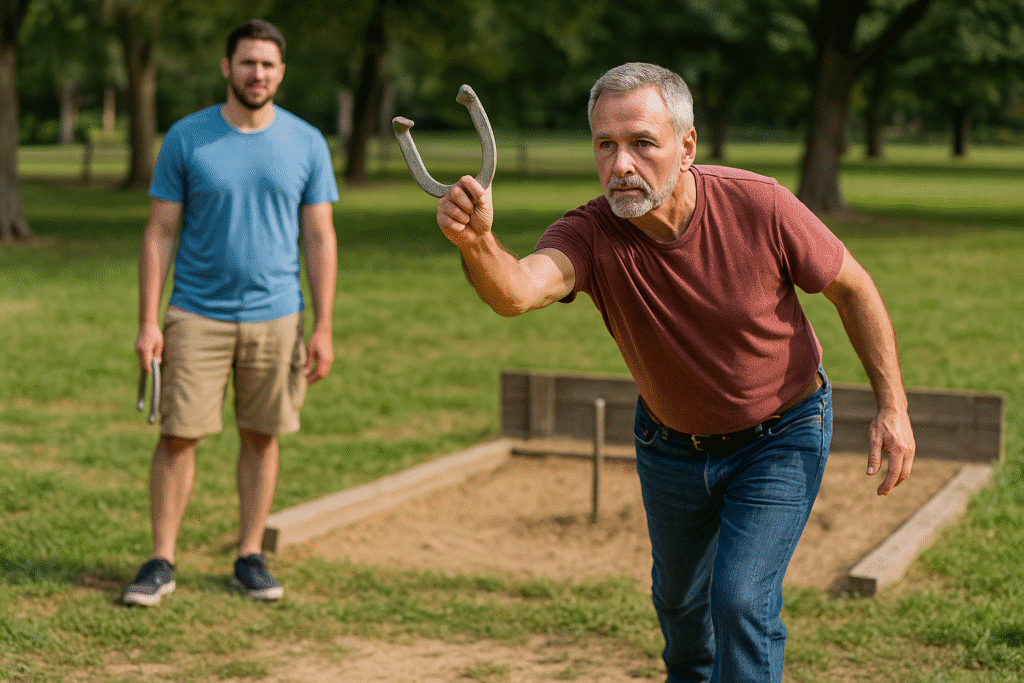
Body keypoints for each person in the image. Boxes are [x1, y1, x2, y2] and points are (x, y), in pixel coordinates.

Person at [435, 63, 915, 682]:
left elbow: (854, 289)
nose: (621, 164)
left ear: (686, 146)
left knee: (741, 601)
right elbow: (518, 291)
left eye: (641, 143)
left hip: (781, 432)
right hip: (670, 448)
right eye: (605, 145)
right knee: (682, 608)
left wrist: (893, 407)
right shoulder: (590, 231)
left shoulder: (757, 202)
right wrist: (477, 243)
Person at [123, 19, 339, 606]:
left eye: (268, 64)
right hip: (195, 314)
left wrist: (321, 326)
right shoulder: (187, 138)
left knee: (261, 436)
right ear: (227, 68)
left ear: (281, 72)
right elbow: (159, 233)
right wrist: (149, 321)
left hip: (278, 315)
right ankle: (161, 560)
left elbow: (319, 237)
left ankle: (249, 555)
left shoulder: (306, 142)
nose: (257, 73)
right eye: (247, 62)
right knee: (177, 437)